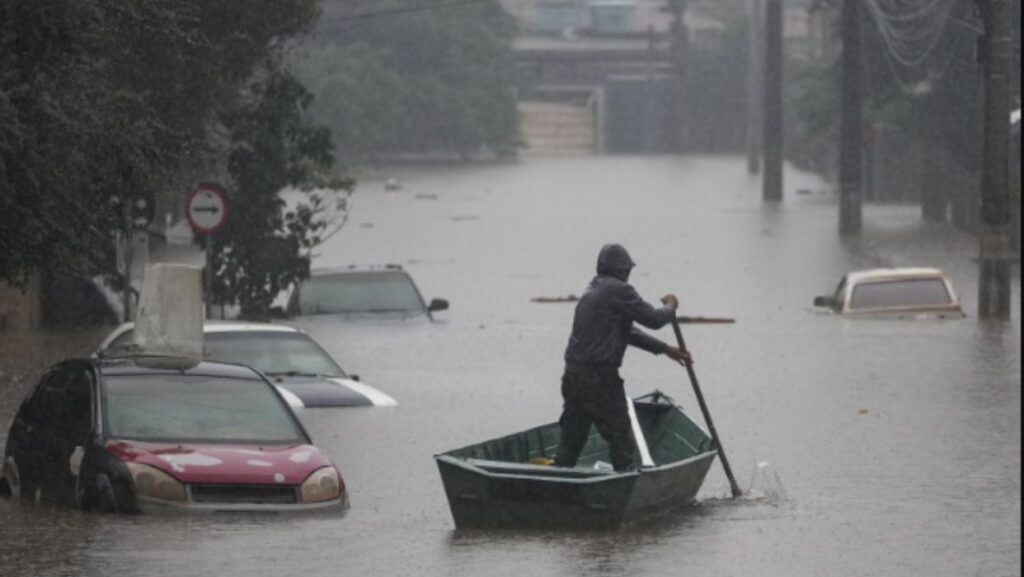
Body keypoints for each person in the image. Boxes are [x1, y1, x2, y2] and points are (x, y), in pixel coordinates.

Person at [554, 244, 691, 472]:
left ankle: (555, 483)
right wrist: (671, 306)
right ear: (621, 269)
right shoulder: (619, 290)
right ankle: (626, 483)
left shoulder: (592, 290)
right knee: (621, 439)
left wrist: (666, 349)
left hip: (573, 377)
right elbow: (655, 319)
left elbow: (627, 332)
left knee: (571, 441)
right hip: (600, 380)